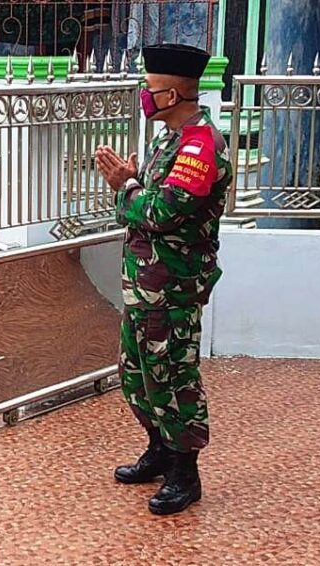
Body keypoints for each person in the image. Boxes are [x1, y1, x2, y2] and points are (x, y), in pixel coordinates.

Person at [94, 43, 231, 516]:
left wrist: (126, 187)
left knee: (172, 376)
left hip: (173, 286)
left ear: (173, 94)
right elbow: (143, 208)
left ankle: (184, 472)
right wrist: (134, 185)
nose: (143, 96)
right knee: (135, 374)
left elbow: (160, 211)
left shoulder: (200, 146)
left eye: (149, 88)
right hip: (145, 282)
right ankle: (158, 449)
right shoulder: (166, 141)